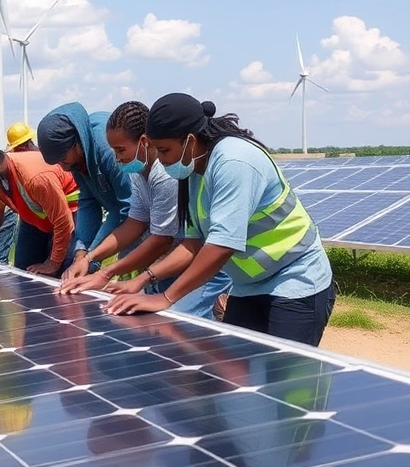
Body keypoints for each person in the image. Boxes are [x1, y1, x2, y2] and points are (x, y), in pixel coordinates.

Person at [105, 93, 336, 347]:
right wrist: (140, 281)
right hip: (248, 286)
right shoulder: (194, 170)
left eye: (164, 150)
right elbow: (193, 244)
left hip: (295, 279)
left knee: (287, 379)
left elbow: (221, 245)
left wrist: (166, 298)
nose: (160, 159)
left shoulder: (233, 161)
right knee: (237, 369)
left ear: (191, 140)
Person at [56, 101, 232, 320]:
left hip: (199, 267)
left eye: (121, 150)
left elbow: (162, 240)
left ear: (144, 142)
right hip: (169, 264)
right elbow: (134, 223)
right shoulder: (137, 171)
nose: (117, 158)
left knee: (178, 326)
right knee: (158, 326)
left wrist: (107, 274)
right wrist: (89, 258)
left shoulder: (165, 174)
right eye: (113, 151)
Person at [0, 131, 80, 276]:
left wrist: (53, 263)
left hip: (71, 214)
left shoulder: (35, 178)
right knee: (23, 272)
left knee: (63, 274)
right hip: (35, 219)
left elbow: (63, 221)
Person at [36, 102, 132, 280]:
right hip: (127, 219)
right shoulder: (78, 159)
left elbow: (127, 210)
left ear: (77, 141)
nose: (63, 167)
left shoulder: (108, 150)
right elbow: (88, 201)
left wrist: (90, 257)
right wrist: (81, 250)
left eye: (64, 159)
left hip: (148, 223)